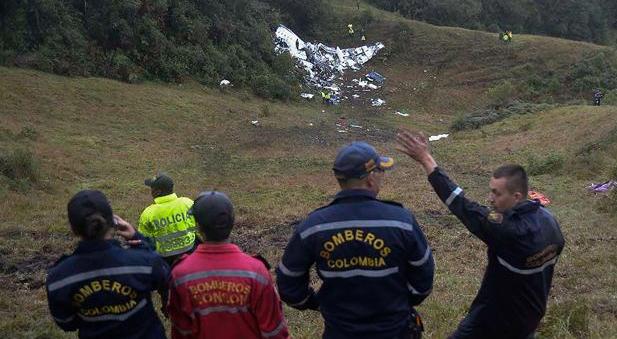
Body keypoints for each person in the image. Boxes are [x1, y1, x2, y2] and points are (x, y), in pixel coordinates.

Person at [396, 130, 565, 339]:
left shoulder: (507, 231)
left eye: (497, 193)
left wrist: (425, 159)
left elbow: (461, 205)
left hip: (492, 319)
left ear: (517, 196)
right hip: (530, 317)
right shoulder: (550, 222)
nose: (490, 198)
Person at [276, 141, 435, 339]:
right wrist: (404, 301)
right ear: (370, 179)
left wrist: (316, 302)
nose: (383, 176)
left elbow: (288, 282)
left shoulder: (314, 225)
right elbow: (424, 277)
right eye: (381, 171)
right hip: (395, 331)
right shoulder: (401, 221)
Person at [46, 190, 169, 339]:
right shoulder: (144, 263)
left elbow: (66, 323)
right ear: (113, 221)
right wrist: (138, 239)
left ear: (73, 229)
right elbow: (164, 275)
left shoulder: (59, 278)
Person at [168, 191, 289, 339]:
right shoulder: (256, 271)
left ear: (198, 226)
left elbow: (181, 331)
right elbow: (274, 332)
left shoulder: (180, 274)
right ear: (232, 222)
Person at [139, 173, 197, 265]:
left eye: (152, 188)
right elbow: (197, 226)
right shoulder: (187, 203)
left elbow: (145, 239)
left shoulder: (148, 213)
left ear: (157, 192)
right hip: (190, 251)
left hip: (165, 258)